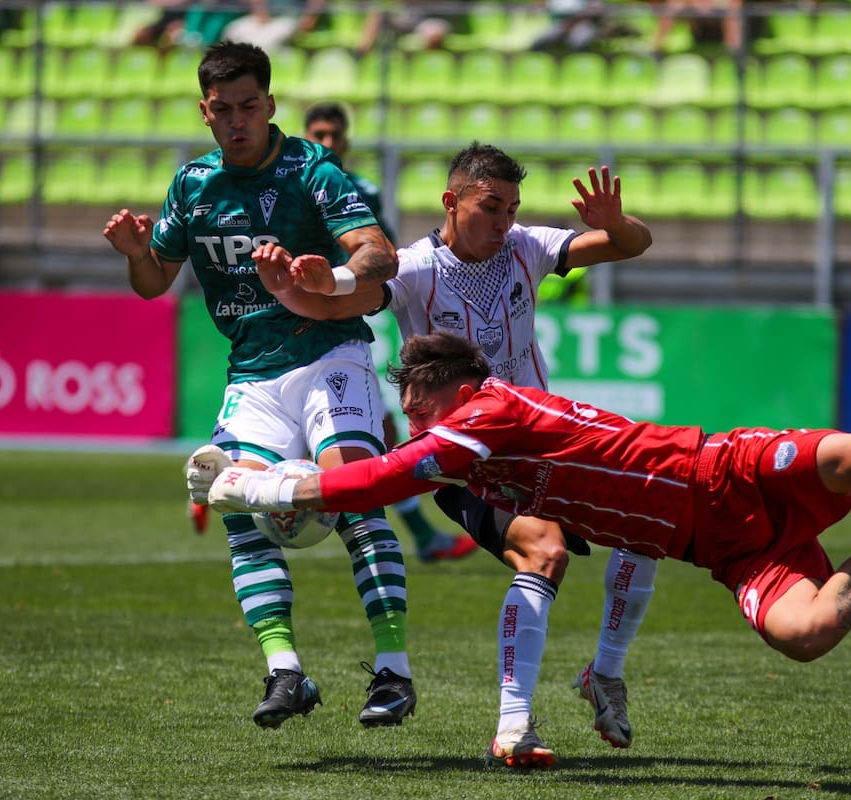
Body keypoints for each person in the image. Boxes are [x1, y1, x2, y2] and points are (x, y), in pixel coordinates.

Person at [209, 332, 851, 741]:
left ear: (445, 387)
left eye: (415, 398)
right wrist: (289, 494)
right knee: (808, 635)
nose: (410, 413)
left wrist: (262, 482)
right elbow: (386, 490)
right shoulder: (468, 448)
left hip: (723, 470)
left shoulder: (486, 412)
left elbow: (379, 478)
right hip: (724, 548)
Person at [248, 143, 657, 768]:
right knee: (543, 552)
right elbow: (337, 301)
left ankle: (604, 672)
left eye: (512, 208)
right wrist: (302, 284)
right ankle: (514, 726)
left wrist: (615, 221)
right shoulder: (414, 269)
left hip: (541, 442)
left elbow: (631, 246)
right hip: (464, 457)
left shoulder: (527, 246)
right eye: (491, 207)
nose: (504, 222)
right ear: (451, 202)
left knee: (648, 519)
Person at [102, 41, 418, 732]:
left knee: (357, 491)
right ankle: (286, 671)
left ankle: (393, 673)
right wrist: (136, 257)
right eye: (223, 110)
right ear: (205, 112)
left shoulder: (310, 168)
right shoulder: (192, 185)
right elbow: (155, 282)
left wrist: (327, 278)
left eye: (249, 106)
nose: (237, 120)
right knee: (234, 504)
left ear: (270, 105)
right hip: (253, 372)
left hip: (328, 354)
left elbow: (379, 254)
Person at [302, 100, 478, 564]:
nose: (326, 143)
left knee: (376, 428)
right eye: (317, 134)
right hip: (299, 321)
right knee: (337, 432)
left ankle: (420, 536)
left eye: (334, 135)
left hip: (346, 320)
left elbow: (383, 254)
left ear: (347, 140)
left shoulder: (365, 192)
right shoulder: (292, 187)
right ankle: (224, 486)